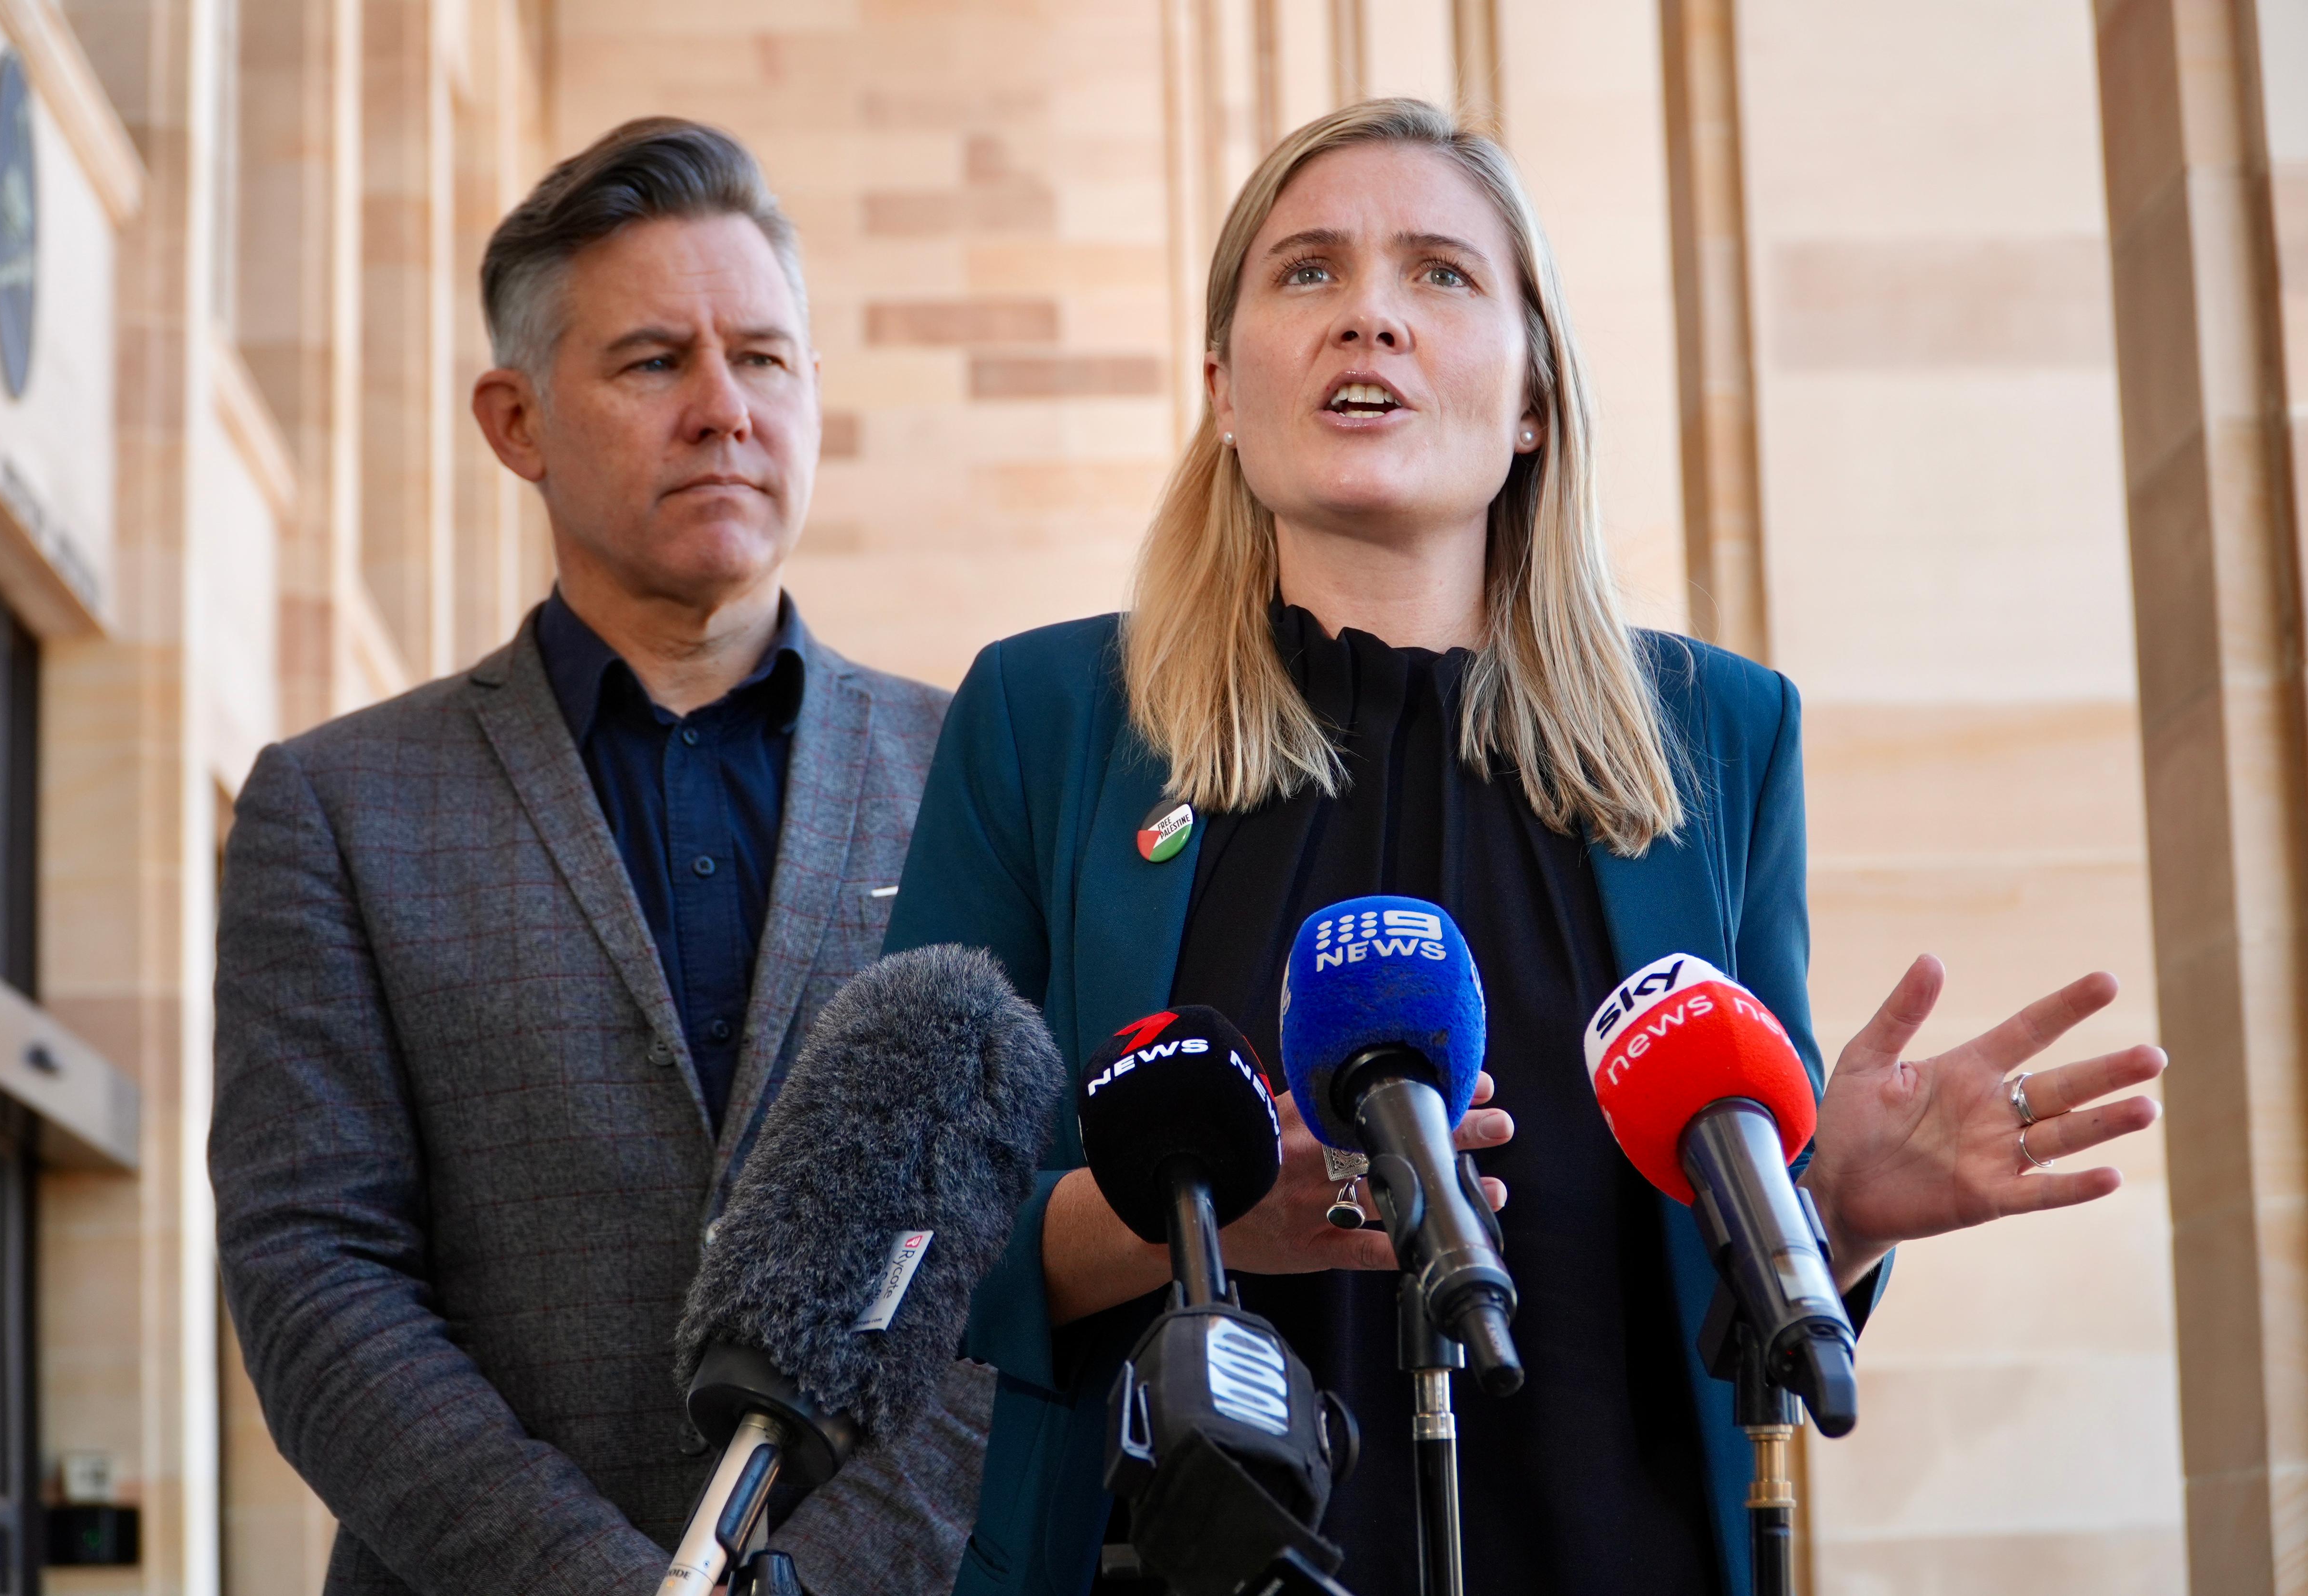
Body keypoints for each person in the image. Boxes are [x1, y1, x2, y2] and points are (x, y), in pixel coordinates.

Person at [882, 99, 2166, 1596]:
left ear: (1536, 395)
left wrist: (1835, 1218)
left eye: (1440, 273)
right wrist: (1189, 1219)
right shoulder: (1050, 725)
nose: (1370, 313)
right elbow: (906, 1242)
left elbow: (1731, 1260)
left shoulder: (1721, 737)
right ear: (1226, 390)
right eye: (1307, 273)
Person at [210, 120, 989, 1596]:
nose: (722, 409)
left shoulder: (972, 777)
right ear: (515, 421)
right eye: (653, 363)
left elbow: (1020, 1259)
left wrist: (821, 1584)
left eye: (764, 358)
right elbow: (315, 1281)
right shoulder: (337, 809)